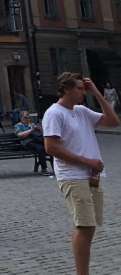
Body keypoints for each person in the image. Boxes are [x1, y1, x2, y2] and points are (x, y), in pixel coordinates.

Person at [42, 73, 121, 275]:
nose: (83, 92)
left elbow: (114, 121)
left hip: (91, 176)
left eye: (84, 89)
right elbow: (51, 147)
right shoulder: (54, 113)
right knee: (84, 225)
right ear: (66, 89)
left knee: (90, 225)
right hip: (72, 175)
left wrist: (96, 92)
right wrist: (88, 162)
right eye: (79, 89)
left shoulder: (81, 111)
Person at [14, 111, 51, 176]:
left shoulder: (32, 124)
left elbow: (43, 132)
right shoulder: (18, 126)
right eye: (25, 118)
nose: (28, 119)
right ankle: (44, 169)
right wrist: (30, 130)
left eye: (29, 118)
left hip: (37, 140)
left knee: (50, 146)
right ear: (21, 118)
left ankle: (56, 166)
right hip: (27, 143)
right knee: (40, 148)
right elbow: (20, 135)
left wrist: (40, 128)